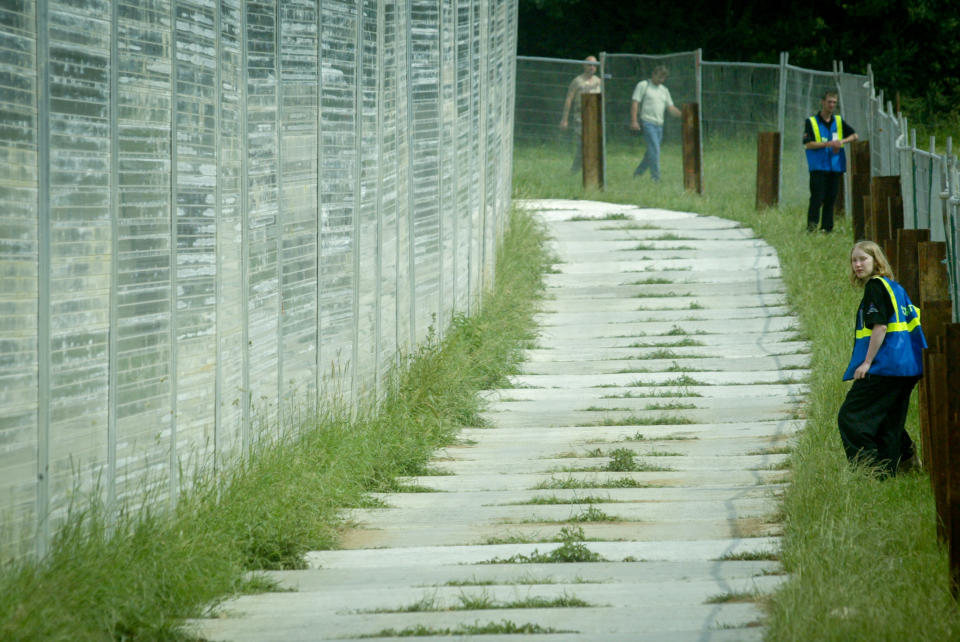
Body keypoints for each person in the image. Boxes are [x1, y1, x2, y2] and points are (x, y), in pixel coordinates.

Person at [837, 241, 926, 476]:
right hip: (908, 367)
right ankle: (902, 463)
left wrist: (866, 363)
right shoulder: (894, 287)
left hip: (886, 365)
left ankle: (869, 471)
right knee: (888, 419)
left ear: (877, 261)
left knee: (851, 417)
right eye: (854, 260)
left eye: (863, 259)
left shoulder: (875, 287)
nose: (857, 265)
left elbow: (880, 327)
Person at [803, 91, 858, 233]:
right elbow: (808, 144)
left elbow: (854, 135)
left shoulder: (838, 121)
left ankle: (827, 229)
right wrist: (828, 144)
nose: (832, 105)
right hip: (819, 167)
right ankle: (812, 228)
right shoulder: (812, 122)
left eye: (834, 102)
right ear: (823, 102)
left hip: (835, 166)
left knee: (830, 199)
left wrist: (841, 141)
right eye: (829, 102)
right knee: (817, 198)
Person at [629, 65, 681, 182]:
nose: (661, 80)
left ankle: (637, 174)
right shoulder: (643, 85)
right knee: (655, 150)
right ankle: (656, 178)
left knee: (651, 152)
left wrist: (685, 115)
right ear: (653, 74)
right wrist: (634, 121)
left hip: (659, 125)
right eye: (659, 77)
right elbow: (635, 103)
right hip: (647, 123)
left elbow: (671, 108)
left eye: (663, 78)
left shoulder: (664, 90)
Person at [559, 56, 602, 172]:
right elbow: (569, 99)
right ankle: (576, 169)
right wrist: (564, 119)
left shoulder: (599, 81)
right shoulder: (577, 81)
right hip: (580, 117)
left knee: (592, 146)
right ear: (584, 66)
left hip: (594, 117)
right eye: (589, 65)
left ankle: (586, 170)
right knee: (583, 145)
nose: (592, 67)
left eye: (594, 65)